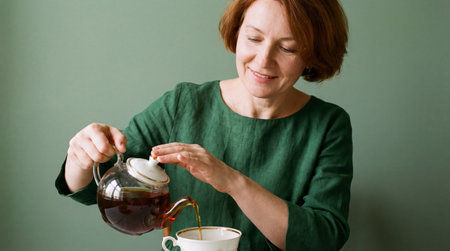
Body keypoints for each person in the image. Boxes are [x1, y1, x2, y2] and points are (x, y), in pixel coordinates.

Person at [55, 0, 352, 250]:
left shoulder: (328, 125)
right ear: (236, 33)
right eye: (253, 38)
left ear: (312, 55)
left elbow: (323, 238)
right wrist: (81, 157)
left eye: (288, 48)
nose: (263, 60)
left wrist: (233, 182)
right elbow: (95, 187)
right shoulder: (182, 104)